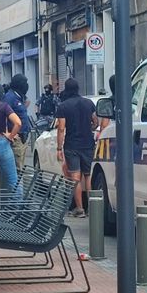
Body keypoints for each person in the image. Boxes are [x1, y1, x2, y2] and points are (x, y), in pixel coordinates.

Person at [56, 78, 98, 218]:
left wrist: (58, 148)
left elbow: (61, 128)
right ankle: (93, 208)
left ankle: (80, 209)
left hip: (72, 145)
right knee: (88, 175)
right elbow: (95, 122)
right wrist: (89, 128)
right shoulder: (88, 103)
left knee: (75, 177)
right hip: (88, 144)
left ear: (66, 89)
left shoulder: (63, 106)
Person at [4, 74, 31, 170]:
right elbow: (3, 115)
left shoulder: (19, 96)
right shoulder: (9, 97)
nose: (26, 85)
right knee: (16, 168)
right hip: (16, 138)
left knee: (20, 166)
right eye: (24, 83)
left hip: (23, 137)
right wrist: (8, 133)